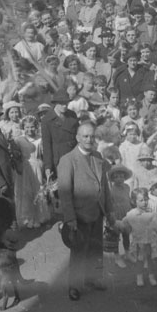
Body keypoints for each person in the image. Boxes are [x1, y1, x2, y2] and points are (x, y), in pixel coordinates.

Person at [57, 120, 113, 301]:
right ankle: (75, 285)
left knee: (96, 249)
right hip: (79, 215)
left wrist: (109, 211)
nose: (89, 139)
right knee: (79, 251)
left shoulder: (98, 156)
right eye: (85, 136)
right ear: (77, 138)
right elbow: (64, 193)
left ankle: (94, 279)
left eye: (92, 136)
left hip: (97, 211)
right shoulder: (68, 160)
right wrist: (70, 218)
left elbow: (104, 186)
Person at [118, 186, 157, 287]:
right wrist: (118, 226)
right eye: (141, 200)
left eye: (146, 200)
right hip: (138, 242)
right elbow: (123, 223)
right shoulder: (131, 214)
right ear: (134, 201)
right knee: (139, 261)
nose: (144, 202)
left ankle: (151, 276)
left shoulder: (151, 214)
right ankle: (139, 277)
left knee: (150, 260)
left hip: (150, 241)